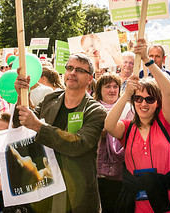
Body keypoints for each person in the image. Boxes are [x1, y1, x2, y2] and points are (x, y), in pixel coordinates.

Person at [105, 39, 170, 212]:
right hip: (137, 202)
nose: (143, 104)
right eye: (138, 99)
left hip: (168, 200)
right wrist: (126, 94)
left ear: (158, 103)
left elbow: (168, 90)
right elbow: (108, 125)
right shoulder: (127, 128)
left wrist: (147, 59)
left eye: (150, 99)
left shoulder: (167, 123)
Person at [14, 53, 107, 212]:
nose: (72, 73)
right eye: (70, 68)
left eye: (79, 70)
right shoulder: (50, 99)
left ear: (89, 79)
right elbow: (21, 125)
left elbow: (78, 144)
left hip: (76, 191)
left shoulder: (95, 110)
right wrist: (21, 95)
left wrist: (39, 127)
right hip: (45, 185)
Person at [93, 73, 127, 213]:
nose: (112, 90)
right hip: (97, 170)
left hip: (123, 168)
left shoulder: (128, 108)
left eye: (115, 86)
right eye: (108, 86)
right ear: (99, 89)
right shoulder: (92, 109)